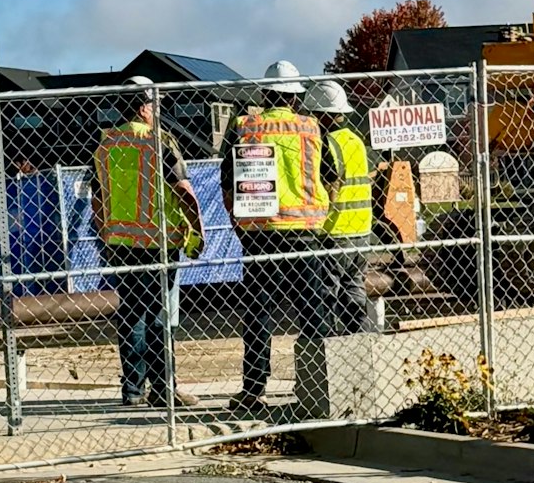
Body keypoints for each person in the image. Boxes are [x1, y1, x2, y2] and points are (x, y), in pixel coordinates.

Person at [222, 60, 331, 415]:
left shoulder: (245, 127)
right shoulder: (312, 129)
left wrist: (238, 224)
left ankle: (254, 390)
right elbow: (330, 175)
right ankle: (320, 386)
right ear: (295, 97)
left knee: (258, 312)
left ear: (265, 94)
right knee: (313, 310)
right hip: (303, 232)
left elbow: (228, 184)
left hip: (260, 233)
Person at [89, 77, 203, 408]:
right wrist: (198, 230)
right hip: (159, 244)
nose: (158, 110)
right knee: (158, 315)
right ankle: (166, 389)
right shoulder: (160, 141)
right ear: (143, 107)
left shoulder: (106, 143)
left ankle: (133, 391)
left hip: (122, 245)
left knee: (131, 314)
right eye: (155, 105)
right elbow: (183, 190)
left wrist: (105, 235)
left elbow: (97, 198)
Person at [303, 79, 376, 339]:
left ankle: (329, 347)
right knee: (354, 289)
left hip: (335, 231)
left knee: (327, 294)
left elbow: (328, 184)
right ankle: (362, 342)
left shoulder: (326, 143)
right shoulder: (355, 140)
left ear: (322, 115)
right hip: (361, 230)